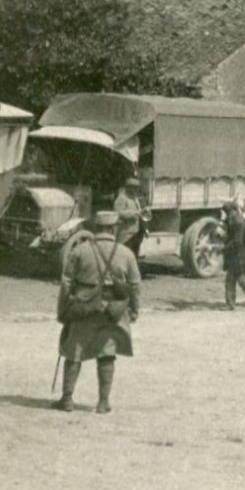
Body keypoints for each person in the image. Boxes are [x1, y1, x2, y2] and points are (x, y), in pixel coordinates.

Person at [56, 210, 141, 413]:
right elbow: (135, 285)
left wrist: (64, 310)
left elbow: (66, 283)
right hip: (113, 310)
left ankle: (67, 399)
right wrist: (135, 310)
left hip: (84, 307)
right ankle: (103, 402)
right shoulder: (126, 253)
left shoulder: (79, 251)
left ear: (95, 228)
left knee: (74, 352)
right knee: (106, 354)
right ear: (114, 228)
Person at [221, 201, 245, 308]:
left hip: (243, 257)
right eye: (226, 213)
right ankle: (231, 303)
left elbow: (237, 241)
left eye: (228, 212)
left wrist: (224, 248)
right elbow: (232, 239)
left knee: (241, 280)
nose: (227, 215)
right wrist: (223, 238)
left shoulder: (238, 223)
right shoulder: (234, 221)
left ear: (234, 211)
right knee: (231, 279)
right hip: (238, 256)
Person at [113, 177, 150, 257]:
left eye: (136, 187)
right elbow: (118, 213)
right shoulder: (122, 198)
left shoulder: (134, 198)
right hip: (126, 235)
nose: (135, 190)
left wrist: (143, 211)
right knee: (125, 256)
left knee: (134, 256)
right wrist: (136, 213)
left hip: (135, 233)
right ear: (128, 187)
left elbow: (139, 211)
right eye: (133, 187)